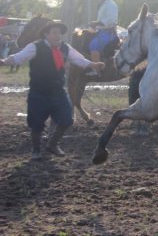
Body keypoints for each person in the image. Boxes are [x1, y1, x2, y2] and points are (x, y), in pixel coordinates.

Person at [0, 21, 104, 159]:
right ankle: (36, 150)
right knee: (36, 124)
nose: (58, 36)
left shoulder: (65, 48)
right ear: (46, 34)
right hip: (39, 92)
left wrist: (93, 64)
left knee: (67, 119)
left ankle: (52, 144)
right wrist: (4, 61)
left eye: (59, 33)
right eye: (54, 33)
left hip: (58, 92)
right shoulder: (35, 47)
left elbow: (79, 59)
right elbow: (18, 58)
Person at [87, 0, 118, 76]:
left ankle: (96, 71)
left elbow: (109, 21)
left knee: (94, 45)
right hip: (101, 31)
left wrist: (95, 23)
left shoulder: (111, 5)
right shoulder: (103, 4)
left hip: (108, 33)